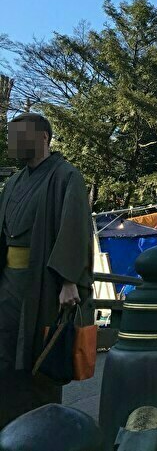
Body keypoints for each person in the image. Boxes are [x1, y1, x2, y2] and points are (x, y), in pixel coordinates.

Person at [0, 113, 94, 428]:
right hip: (9, 283)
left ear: (42, 137)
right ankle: (7, 425)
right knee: (5, 353)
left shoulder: (66, 176)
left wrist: (69, 281)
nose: (12, 142)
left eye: (18, 135)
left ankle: (40, 429)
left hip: (44, 283)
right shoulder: (13, 182)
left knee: (39, 356)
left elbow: (75, 230)